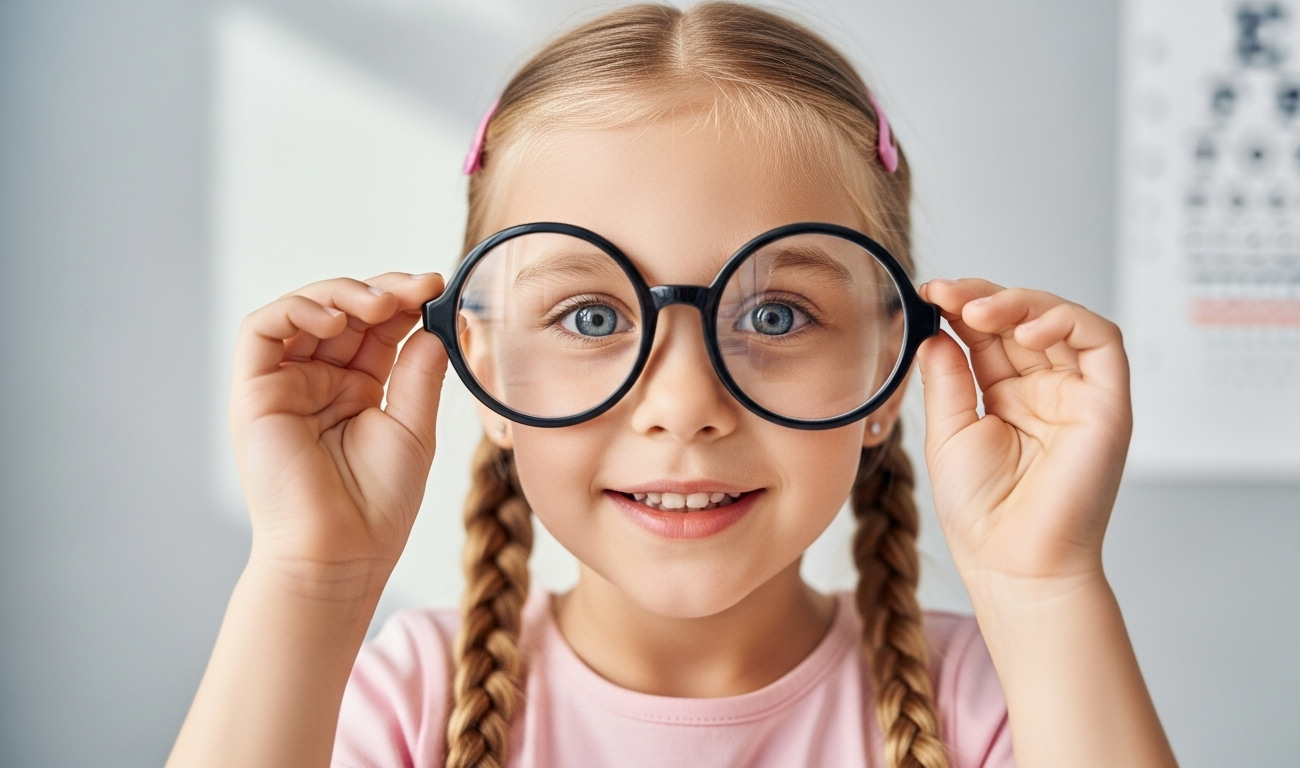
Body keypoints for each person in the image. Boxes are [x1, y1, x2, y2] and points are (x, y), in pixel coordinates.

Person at [166, 4, 1178, 768]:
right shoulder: (405, 698)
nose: (684, 403)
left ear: (888, 364)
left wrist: (1042, 587)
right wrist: (312, 578)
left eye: (775, 315)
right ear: (480, 367)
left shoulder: (996, 700)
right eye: (592, 317)